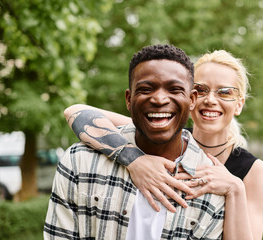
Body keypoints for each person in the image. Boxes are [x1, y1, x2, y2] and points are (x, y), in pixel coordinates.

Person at [65, 50, 263, 240]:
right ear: (189, 98)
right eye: (201, 90)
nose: (210, 100)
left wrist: (234, 188)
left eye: (224, 92)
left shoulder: (255, 172)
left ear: (239, 104)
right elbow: (77, 112)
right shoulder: (162, 134)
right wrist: (135, 160)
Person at [44, 44, 225, 240]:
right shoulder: (79, 161)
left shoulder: (211, 188)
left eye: (174, 89)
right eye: (146, 89)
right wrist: (134, 159)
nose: (159, 99)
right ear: (129, 99)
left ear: (192, 100)